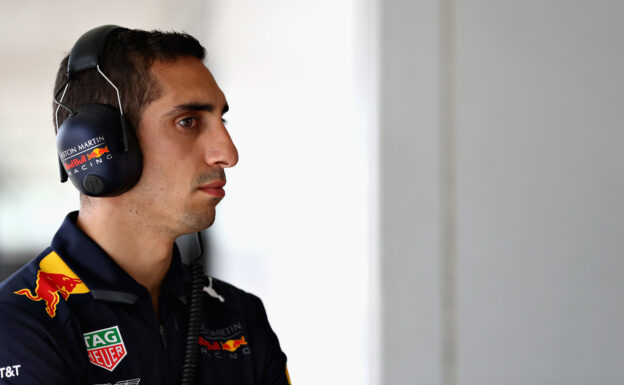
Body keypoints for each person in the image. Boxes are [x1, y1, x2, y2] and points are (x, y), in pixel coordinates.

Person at [0, 25, 291, 385]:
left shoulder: (239, 317)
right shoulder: (19, 323)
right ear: (100, 147)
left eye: (222, 120)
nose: (227, 154)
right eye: (188, 121)